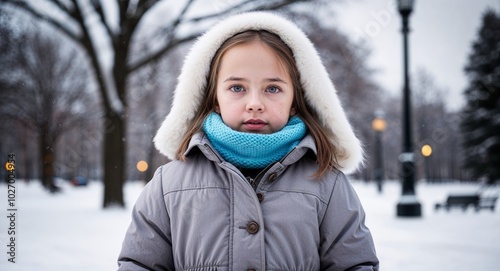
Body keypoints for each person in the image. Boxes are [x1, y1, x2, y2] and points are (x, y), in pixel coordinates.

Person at [118, 11, 379, 271]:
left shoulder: (327, 184)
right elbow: (140, 264)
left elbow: (355, 264)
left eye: (273, 88)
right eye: (237, 88)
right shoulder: (169, 184)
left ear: (294, 102)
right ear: (214, 100)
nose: (255, 104)